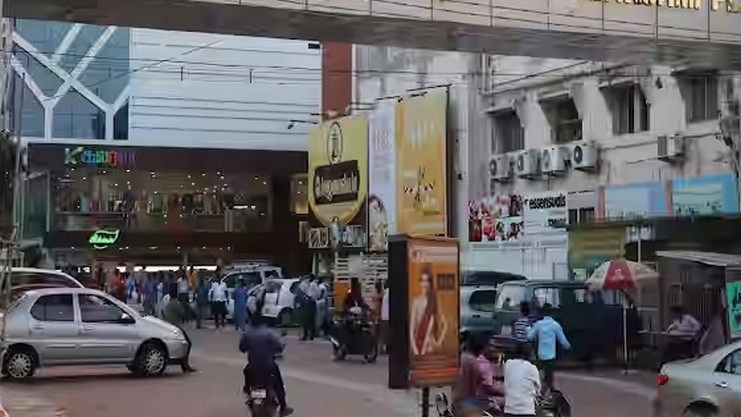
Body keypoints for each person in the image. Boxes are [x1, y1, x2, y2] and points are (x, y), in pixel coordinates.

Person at [240, 311, 293, 416]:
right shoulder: (269, 333)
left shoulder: (247, 334)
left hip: (252, 367)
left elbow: (242, 348)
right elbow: (279, 346)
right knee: (279, 385)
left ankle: (247, 390)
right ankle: (283, 407)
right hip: (268, 367)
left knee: (247, 373)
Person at [453, 332, 504, 415]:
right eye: (490, 346)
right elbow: (487, 384)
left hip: (458, 401)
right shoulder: (476, 362)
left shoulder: (462, 358)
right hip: (471, 403)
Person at [527, 303, 570, 393]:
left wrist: (528, 329)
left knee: (538, 375)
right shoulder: (555, 325)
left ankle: (541, 392)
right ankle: (550, 393)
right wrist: (568, 347)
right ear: (552, 313)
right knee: (549, 377)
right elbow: (562, 340)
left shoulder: (538, 324)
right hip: (551, 355)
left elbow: (529, 337)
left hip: (541, 355)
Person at [410, 264, 449, 356]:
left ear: (430, 284)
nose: (424, 284)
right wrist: (415, 350)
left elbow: (445, 324)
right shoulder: (416, 302)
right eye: (422, 281)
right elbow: (411, 330)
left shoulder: (433, 301)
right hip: (418, 346)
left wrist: (439, 342)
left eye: (427, 281)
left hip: (430, 348)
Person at [162, 289, 198, 373]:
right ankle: (184, 365)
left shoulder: (167, 304)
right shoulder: (176, 304)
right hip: (176, 327)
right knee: (187, 343)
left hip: (167, 326)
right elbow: (182, 314)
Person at [503, 342, 541, 417]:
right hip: (526, 411)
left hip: (509, 411)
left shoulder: (508, 364)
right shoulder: (532, 368)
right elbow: (538, 390)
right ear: (530, 354)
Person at [380, 279, 390, 354]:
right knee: (387, 333)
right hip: (387, 316)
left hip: (384, 316)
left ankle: (384, 348)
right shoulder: (388, 292)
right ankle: (386, 348)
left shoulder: (386, 292)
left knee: (385, 334)